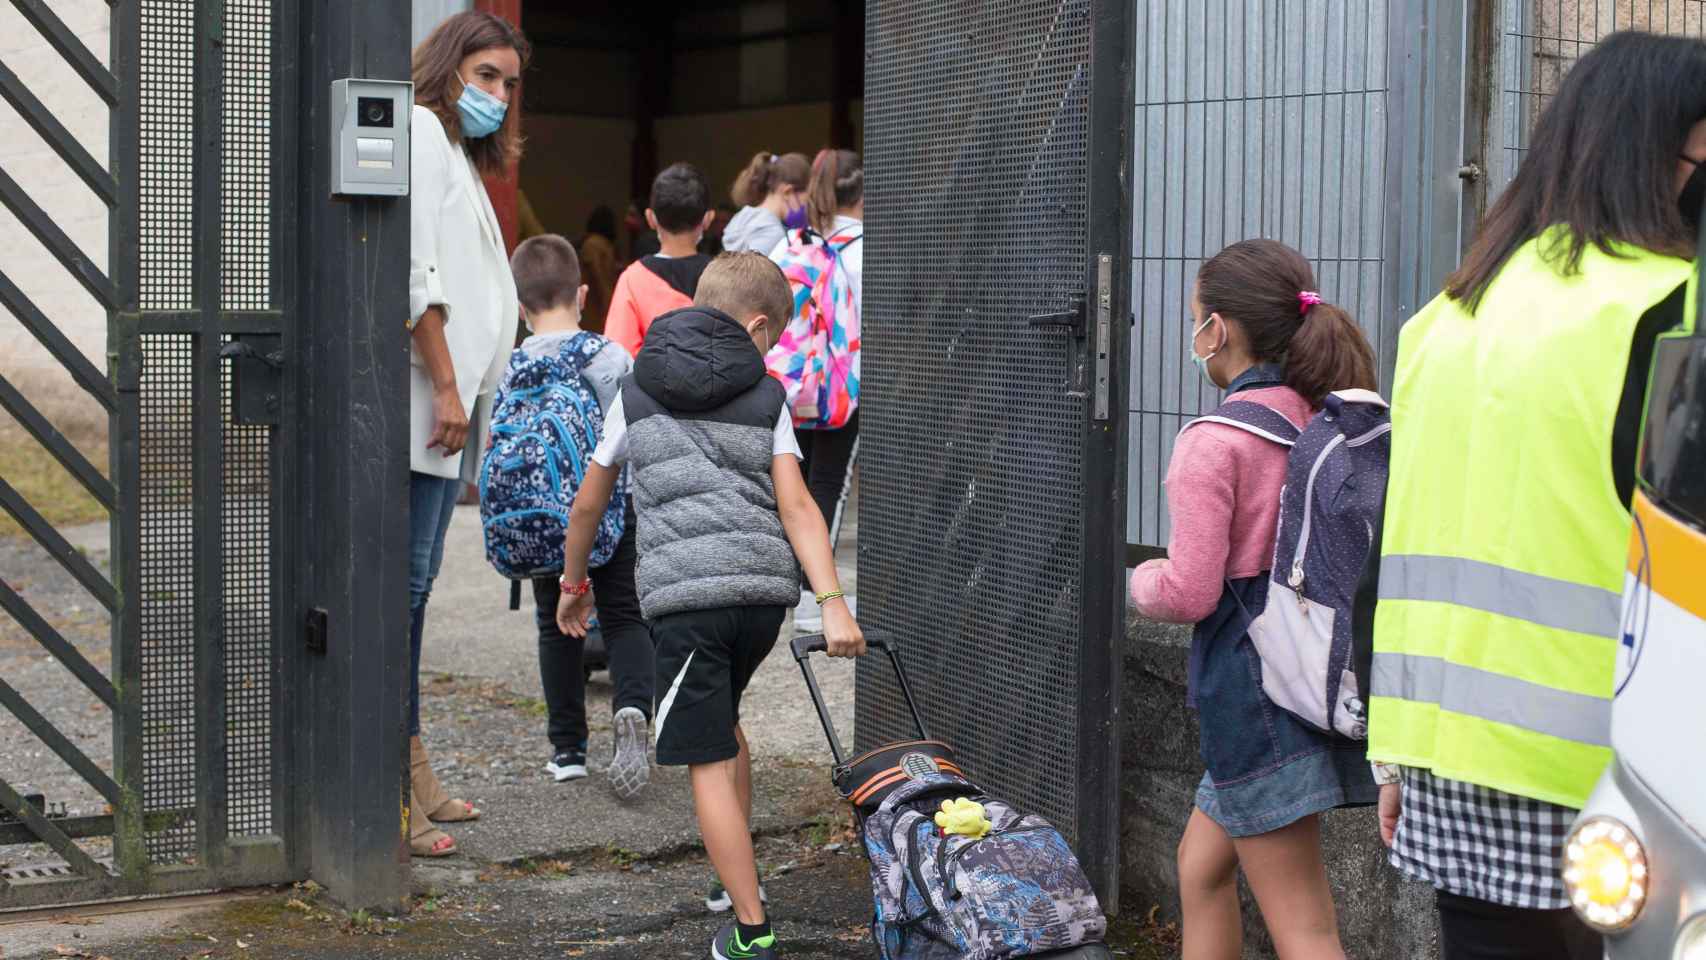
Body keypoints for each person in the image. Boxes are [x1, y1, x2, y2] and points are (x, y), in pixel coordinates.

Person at [1364, 31, 1706, 960]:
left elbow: (1396, 547)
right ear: (1665, 156)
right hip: (1624, 775)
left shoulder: (1447, 314)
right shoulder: (1669, 306)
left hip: (1449, 759)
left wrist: (1393, 752)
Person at [555, 253, 866, 960]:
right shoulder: (767, 395)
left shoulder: (634, 391)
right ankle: (736, 883)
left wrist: (574, 584)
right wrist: (832, 602)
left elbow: (588, 503)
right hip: (761, 599)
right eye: (776, 338)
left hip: (688, 602)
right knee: (724, 725)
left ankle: (752, 932)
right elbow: (798, 506)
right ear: (758, 326)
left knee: (703, 759)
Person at [1130, 240, 1381, 959]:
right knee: (1199, 868)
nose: (1196, 335)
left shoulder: (1215, 442)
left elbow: (1189, 589)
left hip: (1253, 692)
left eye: (1196, 319)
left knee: (1306, 931)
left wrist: (1138, 580)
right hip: (1319, 672)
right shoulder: (1326, 422)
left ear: (1220, 331)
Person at [404, 10, 528, 859]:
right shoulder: (416, 130)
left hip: (446, 413)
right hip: (423, 404)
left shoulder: (456, 153)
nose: (497, 95)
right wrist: (449, 386)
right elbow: (417, 274)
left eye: (509, 84)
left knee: (414, 596)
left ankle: (412, 772)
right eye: (486, 75)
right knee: (400, 599)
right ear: (449, 67)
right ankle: (391, 791)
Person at [500, 234, 656, 798]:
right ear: (583, 294)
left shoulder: (515, 362)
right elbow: (636, 433)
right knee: (624, 615)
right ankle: (634, 707)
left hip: (546, 519)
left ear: (521, 306)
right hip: (616, 504)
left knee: (555, 623)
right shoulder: (610, 356)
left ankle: (567, 749)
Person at [768, 149, 865, 634]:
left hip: (794, 384)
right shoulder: (868, 249)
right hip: (841, 390)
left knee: (794, 483)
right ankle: (813, 595)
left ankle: (787, 582)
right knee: (830, 486)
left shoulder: (798, 245)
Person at [605, 163, 715, 356]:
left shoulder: (633, 279)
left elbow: (619, 354)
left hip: (654, 384)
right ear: (707, 219)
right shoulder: (725, 275)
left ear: (650, 218)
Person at [723, 152, 810, 255]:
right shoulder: (773, 233)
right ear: (788, 192)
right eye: (806, 201)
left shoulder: (742, 216)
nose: (807, 208)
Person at [579, 206, 619, 333]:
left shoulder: (593, 244)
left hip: (593, 308)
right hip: (598, 306)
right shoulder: (598, 245)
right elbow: (599, 275)